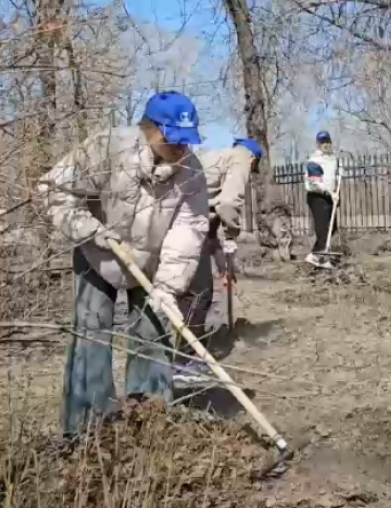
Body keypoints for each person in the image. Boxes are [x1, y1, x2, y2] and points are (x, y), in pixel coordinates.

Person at [36, 90, 209, 437]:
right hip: (96, 254)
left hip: (153, 263)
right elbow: (54, 189)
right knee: (92, 337)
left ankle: (150, 422)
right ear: (149, 129)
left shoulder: (191, 172)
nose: (181, 148)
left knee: (153, 333)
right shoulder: (107, 147)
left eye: (186, 140)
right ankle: (86, 430)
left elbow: (189, 228)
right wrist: (91, 230)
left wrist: (169, 286)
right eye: (172, 138)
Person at [173, 138, 261, 384]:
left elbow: (210, 213)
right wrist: (233, 235)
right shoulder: (241, 158)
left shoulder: (215, 156)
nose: (250, 174)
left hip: (177, 222)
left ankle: (181, 356)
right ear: (253, 160)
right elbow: (227, 204)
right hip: (186, 225)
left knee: (189, 293)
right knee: (199, 292)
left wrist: (222, 261)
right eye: (253, 170)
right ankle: (186, 362)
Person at [303, 131, 339, 269]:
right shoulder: (313, 161)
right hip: (317, 196)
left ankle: (322, 259)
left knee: (333, 227)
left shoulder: (333, 159)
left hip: (330, 196)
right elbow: (315, 183)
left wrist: (341, 172)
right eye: (322, 142)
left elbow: (335, 175)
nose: (325, 144)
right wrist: (331, 193)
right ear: (318, 144)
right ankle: (315, 255)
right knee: (323, 229)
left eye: (327, 142)